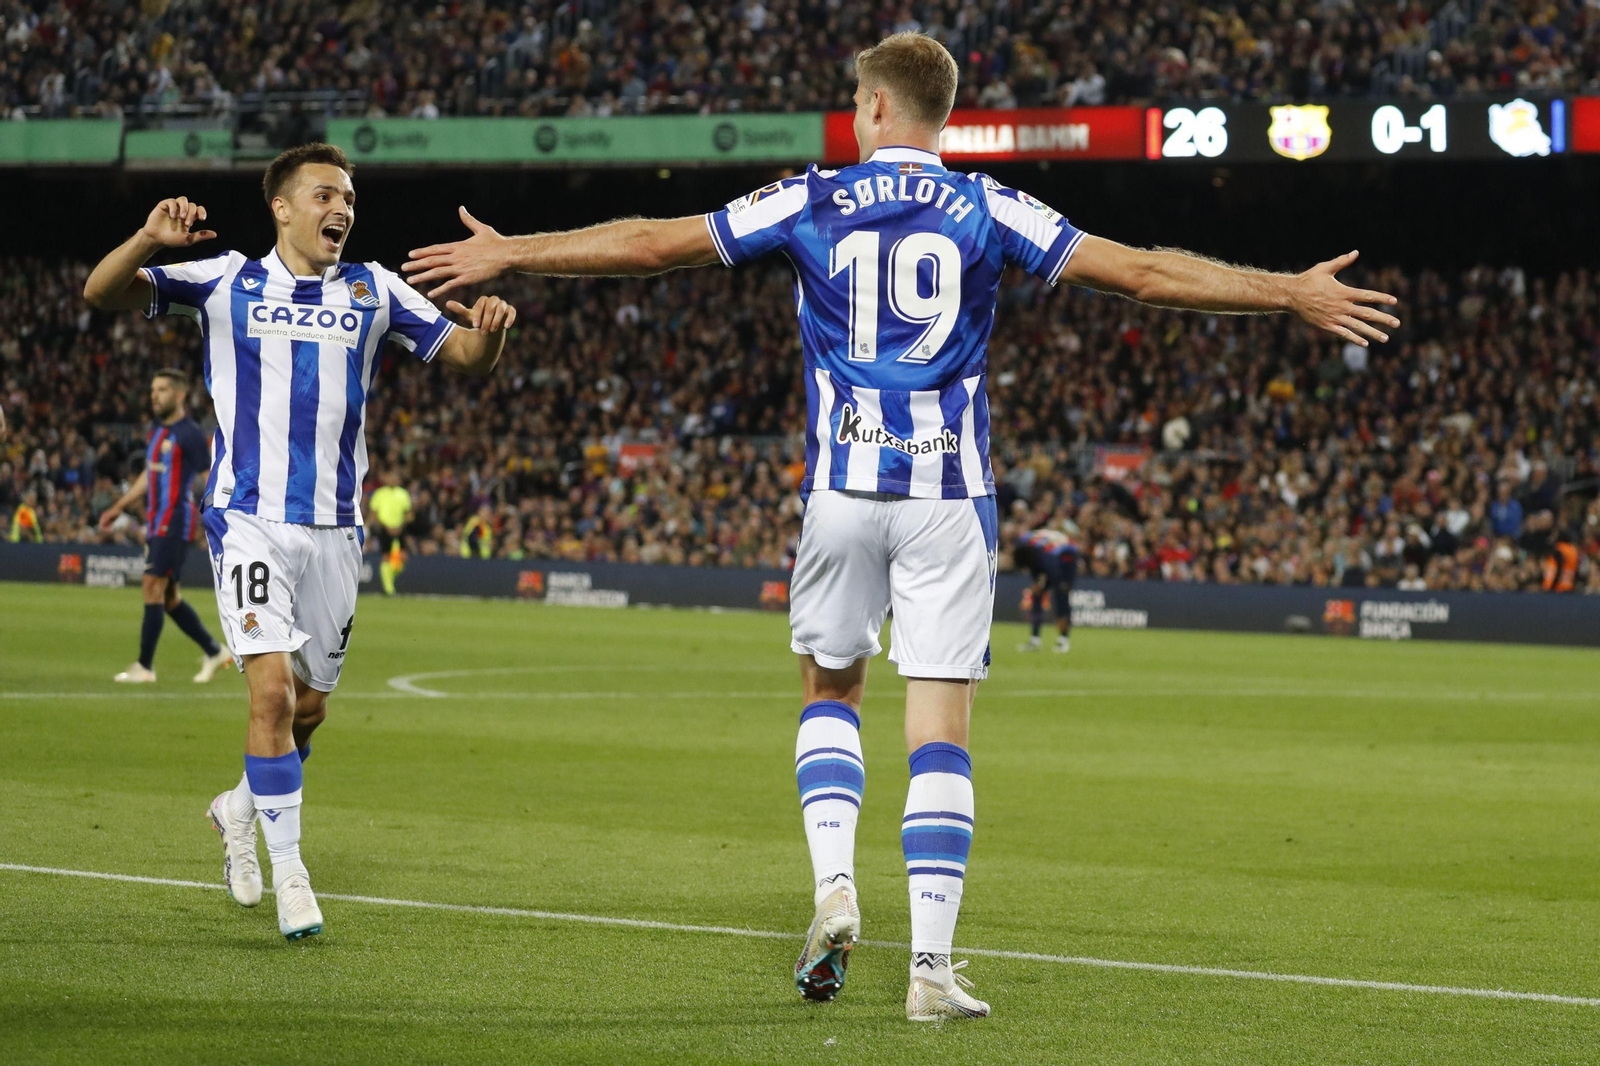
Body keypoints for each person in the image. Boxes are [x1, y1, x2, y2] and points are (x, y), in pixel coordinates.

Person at [402, 32, 1398, 1020]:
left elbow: (655, 244)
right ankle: (929, 968)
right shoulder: (988, 205)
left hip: (839, 489)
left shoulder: (812, 196)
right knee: (939, 730)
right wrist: (1287, 291)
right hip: (948, 499)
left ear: (874, 109)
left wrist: (513, 251)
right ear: (943, 113)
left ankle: (834, 885)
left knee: (830, 687)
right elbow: (1140, 273)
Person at [82, 142, 516, 942]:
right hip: (248, 519)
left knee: (309, 709)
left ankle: (237, 809)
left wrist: (488, 330)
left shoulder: (373, 289)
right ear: (282, 207)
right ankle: (292, 878)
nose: (340, 208)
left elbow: (464, 357)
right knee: (272, 694)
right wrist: (146, 240)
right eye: (323, 195)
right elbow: (102, 292)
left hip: (336, 531)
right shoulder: (225, 280)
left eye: (347, 197)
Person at [98, 369, 235, 683]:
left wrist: (219, 518)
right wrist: (118, 507)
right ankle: (215, 652)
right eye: (153, 389)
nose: (154, 395)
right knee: (169, 597)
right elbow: (150, 475)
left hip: (174, 521)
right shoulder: (157, 430)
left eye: (161, 390)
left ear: (180, 395)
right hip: (157, 521)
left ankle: (144, 667)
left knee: (152, 586)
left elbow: (208, 477)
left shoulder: (189, 434)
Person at [1014, 527, 1078, 653]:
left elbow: (1054, 567)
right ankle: (1035, 639)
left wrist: (1066, 582)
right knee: (1037, 598)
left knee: (1062, 601)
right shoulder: (1033, 549)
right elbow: (1037, 568)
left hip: (1065, 565)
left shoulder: (1042, 550)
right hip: (1052, 562)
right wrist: (1038, 583)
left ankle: (1063, 640)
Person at [367, 469, 412, 595]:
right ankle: (388, 588)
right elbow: (374, 514)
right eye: (390, 477)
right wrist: (385, 527)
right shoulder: (379, 494)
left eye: (394, 477)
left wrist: (400, 526)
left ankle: (389, 581)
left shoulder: (403, 494)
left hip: (400, 529)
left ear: (398, 480)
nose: (392, 480)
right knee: (386, 557)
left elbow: (408, 514)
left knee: (402, 558)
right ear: (385, 479)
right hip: (384, 529)